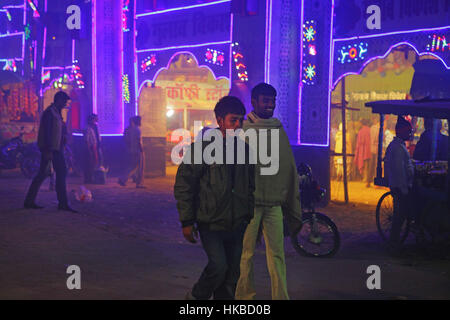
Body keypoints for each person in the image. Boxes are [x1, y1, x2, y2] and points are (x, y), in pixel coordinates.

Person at [174, 96, 255, 300]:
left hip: (237, 224)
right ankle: (195, 297)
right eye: (233, 120)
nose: (237, 125)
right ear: (220, 121)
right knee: (218, 267)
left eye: (240, 121)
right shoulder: (201, 149)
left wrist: (250, 217)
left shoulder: (245, 151)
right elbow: (185, 186)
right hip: (210, 223)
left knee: (231, 277)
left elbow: (251, 186)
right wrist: (187, 221)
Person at [235, 83, 302, 300]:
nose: (270, 104)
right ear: (253, 102)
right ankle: (245, 298)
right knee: (245, 255)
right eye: (265, 100)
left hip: (273, 204)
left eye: (273, 100)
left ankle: (281, 297)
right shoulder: (242, 131)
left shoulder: (278, 129)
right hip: (250, 205)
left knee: (278, 255)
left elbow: (287, 166)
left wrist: (290, 198)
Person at [24, 91, 77, 212]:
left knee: (50, 174)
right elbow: (47, 133)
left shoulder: (56, 113)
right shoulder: (50, 113)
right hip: (51, 149)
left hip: (57, 148)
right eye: (64, 101)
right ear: (58, 100)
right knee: (50, 174)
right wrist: (48, 150)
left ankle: (32, 201)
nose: (65, 104)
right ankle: (61, 203)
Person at [384, 116, 414, 248]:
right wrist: (404, 189)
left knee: (400, 215)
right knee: (399, 216)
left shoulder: (398, 146)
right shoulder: (397, 148)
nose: (410, 133)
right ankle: (393, 244)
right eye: (408, 131)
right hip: (400, 186)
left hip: (400, 186)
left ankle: (394, 243)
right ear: (401, 131)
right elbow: (399, 171)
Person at [118, 116, 145, 188]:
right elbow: (139, 141)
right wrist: (142, 150)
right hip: (137, 151)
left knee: (133, 166)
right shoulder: (138, 130)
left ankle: (123, 179)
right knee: (139, 167)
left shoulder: (130, 129)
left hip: (131, 150)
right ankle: (138, 183)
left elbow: (126, 140)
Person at [83, 114, 102, 184]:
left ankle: (91, 178)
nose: (96, 120)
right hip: (91, 147)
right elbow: (86, 140)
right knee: (90, 164)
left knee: (93, 163)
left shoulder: (94, 127)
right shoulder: (87, 128)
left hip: (95, 146)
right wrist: (89, 150)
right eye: (95, 119)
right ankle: (88, 179)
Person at [354, 118, 372, 187]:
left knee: (364, 165)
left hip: (362, 150)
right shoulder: (370, 130)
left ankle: (365, 178)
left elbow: (359, 143)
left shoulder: (361, 131)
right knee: (368, 165)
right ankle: (367, 179)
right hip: (369, 150)